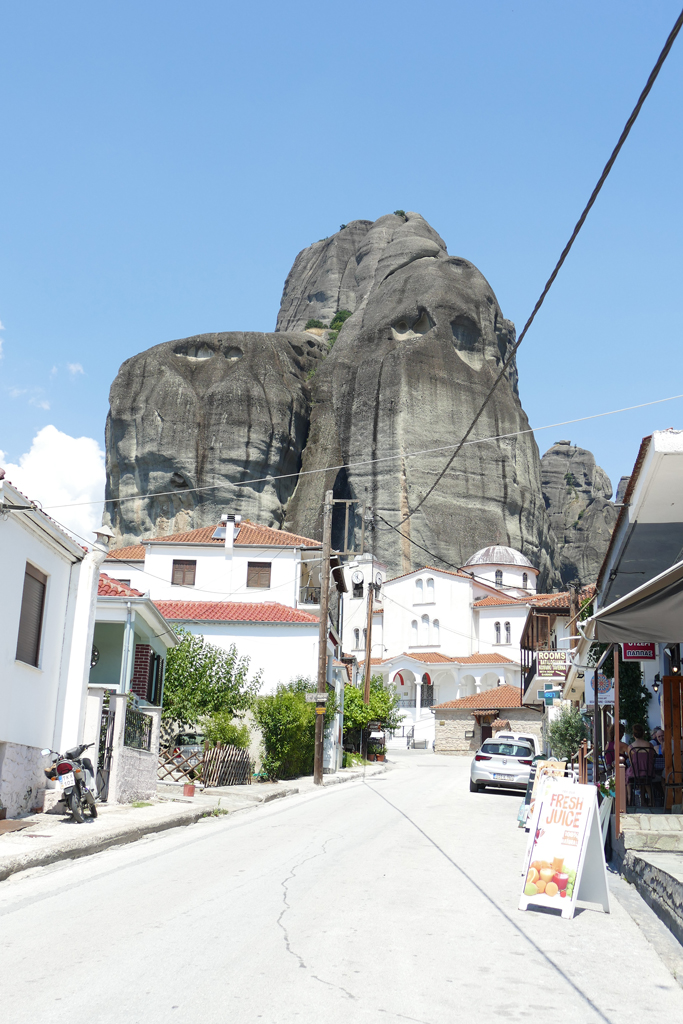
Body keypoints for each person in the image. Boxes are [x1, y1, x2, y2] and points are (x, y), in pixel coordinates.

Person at [627, 723, 655, 805]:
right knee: (645, 780)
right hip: (648, 771)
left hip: (636, 771)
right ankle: (651, 800)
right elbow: (651, 758)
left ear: (633, 735)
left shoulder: (631, 747)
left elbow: (631, 762)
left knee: (627, 774)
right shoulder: (650, 745)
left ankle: (630, 800)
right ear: (643, 733)